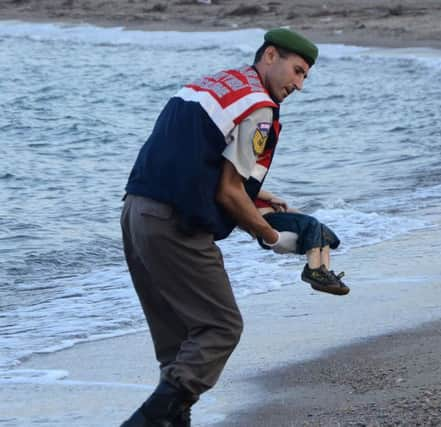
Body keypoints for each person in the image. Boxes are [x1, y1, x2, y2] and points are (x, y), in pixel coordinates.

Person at [119, 28, 319, 427]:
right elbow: (228, 193)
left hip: (135, 213)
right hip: (174, 225)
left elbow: (195, 160)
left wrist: (258, 200)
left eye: (304, 77)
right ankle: (144, 421)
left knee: (178, 349)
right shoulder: (259, 107)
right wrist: (271, 235)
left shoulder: (213, 84)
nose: (298, 84)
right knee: (220, 327)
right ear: (270, 55)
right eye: (296, 71)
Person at [254, 189, 349, 295]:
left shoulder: (259, 194)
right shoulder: (245, 189)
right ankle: (313, 272)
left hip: (278, 217)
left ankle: (323, 276)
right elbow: (250, 188)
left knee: (320, 229)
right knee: (312, 224)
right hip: (266, 220)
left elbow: (287, 210)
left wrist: (303, 218)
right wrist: (272, 197)